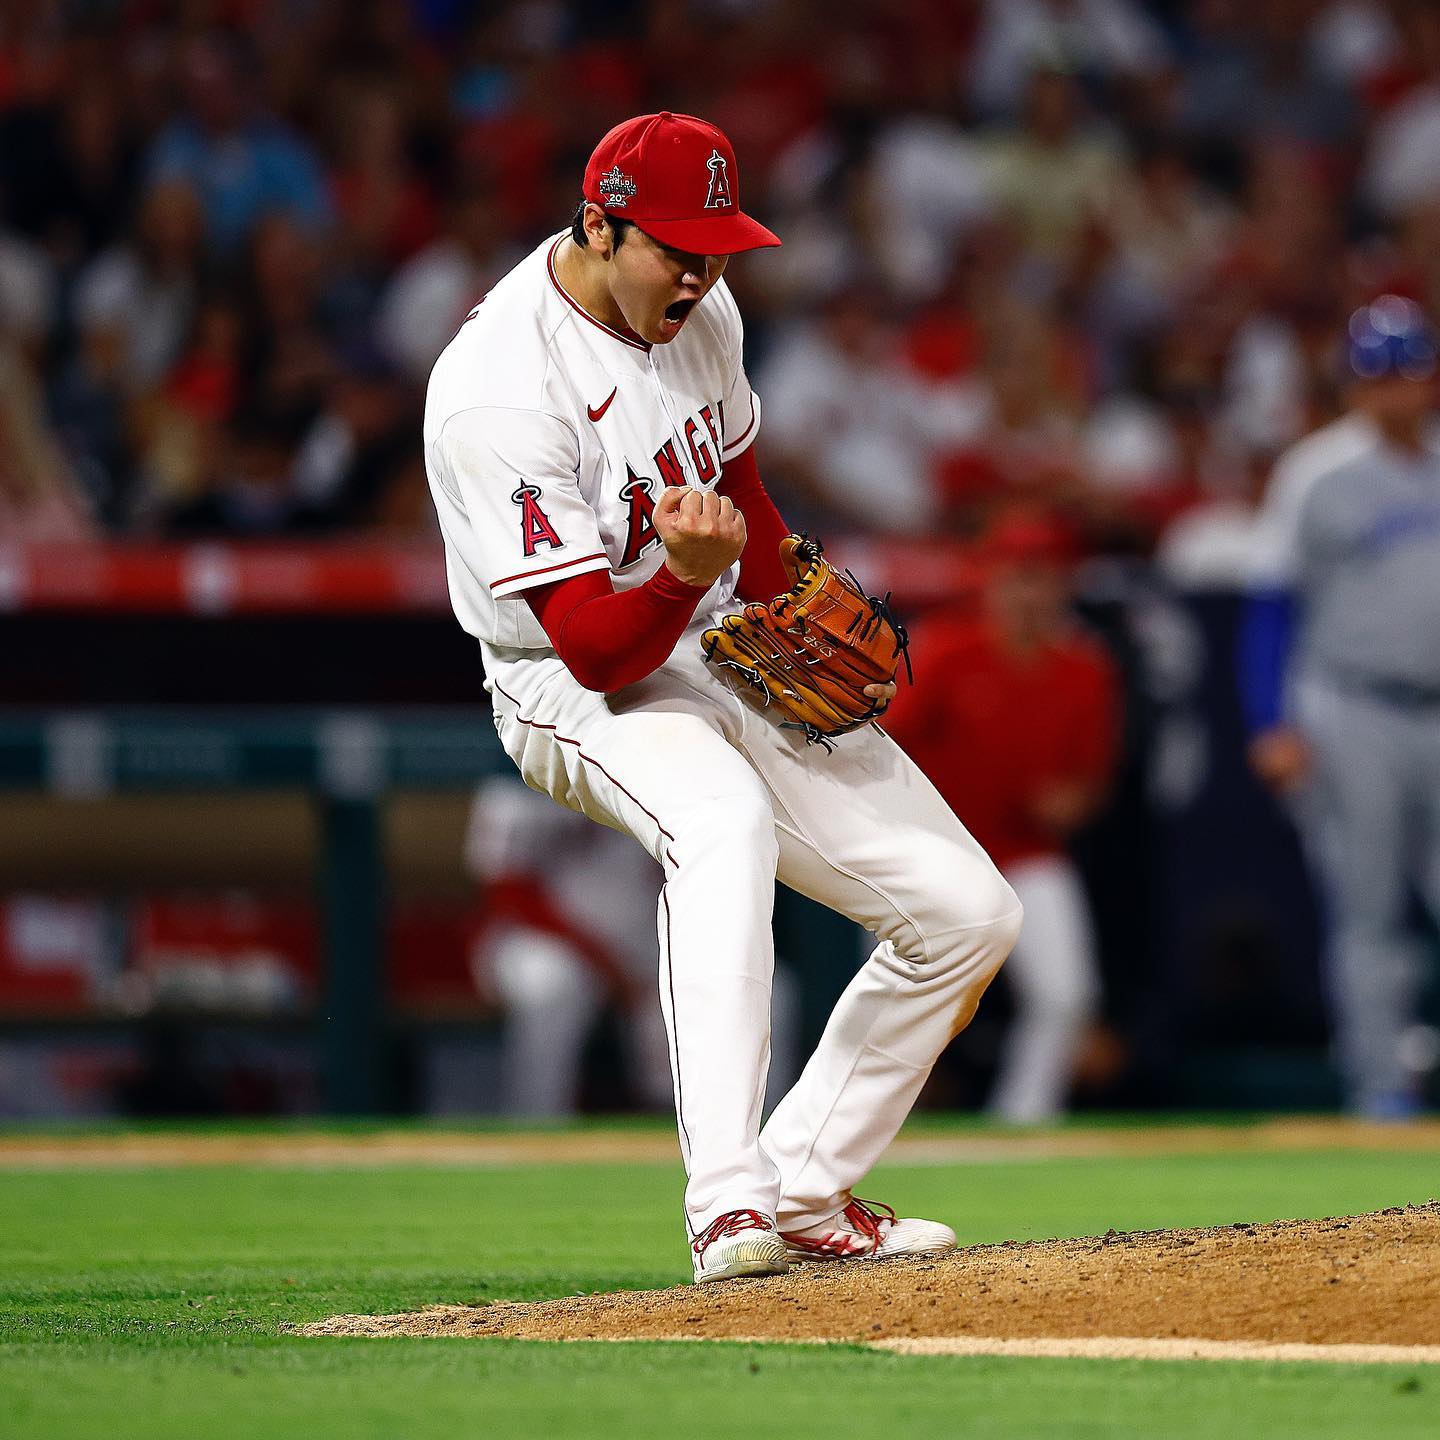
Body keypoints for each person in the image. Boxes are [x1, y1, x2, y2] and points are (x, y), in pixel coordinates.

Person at [423, 112, 1022, 1283]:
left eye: (718, 249)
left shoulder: (707, 309)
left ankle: (804, 1189)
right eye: (676, 249)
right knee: (721, 823)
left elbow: (738, 476)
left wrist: (783, 599)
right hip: (560, 677)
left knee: (968, 914)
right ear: (597, 223)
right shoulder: (496, 390)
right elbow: (594, 651)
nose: (701, 274)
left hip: (707, 633)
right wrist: (692, 578)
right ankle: (729, 1204)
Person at [1243, 295, 1440, 1120]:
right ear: (1355, 384)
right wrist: (1267, 719)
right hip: (1355, 707)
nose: (1395, 389)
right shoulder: (1316, 471)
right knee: (1368, 908)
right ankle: (1379, 1088)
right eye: (1378, 373)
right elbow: (1269, 605)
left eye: (1408, 370)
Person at [885, 514, 1119, 1123]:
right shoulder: (945, 649)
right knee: (899, 1002)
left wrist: (1071, 802)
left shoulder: (1084, 668)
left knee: (1065, 996)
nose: (1028, 591)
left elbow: (1090, 782)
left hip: (1025, 853)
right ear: (989, 580)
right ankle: (870, 1129)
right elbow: (883, 747)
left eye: (1042, 578)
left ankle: (1024, 1122)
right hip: (935, 852)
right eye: (1016, 576)